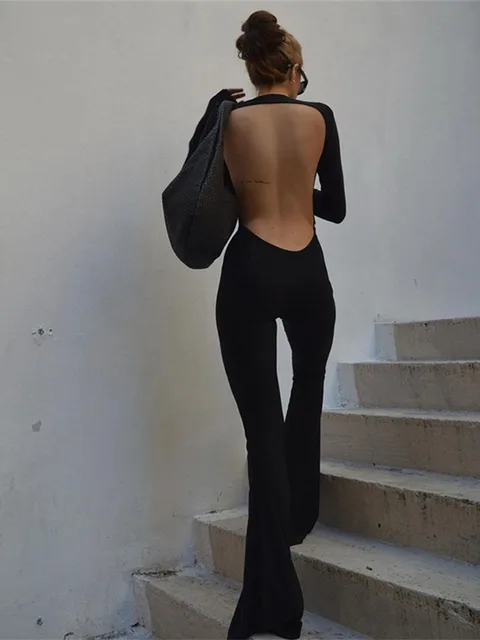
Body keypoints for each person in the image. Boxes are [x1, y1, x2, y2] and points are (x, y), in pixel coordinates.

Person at [184, 10, 346, 639]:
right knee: (307, 391)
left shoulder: (228, 117)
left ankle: (271, 600)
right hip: (308, 271)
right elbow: (336, 207)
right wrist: (296, 185)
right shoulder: (321, 116)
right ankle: (300, 512)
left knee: (262, 430)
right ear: (293, 69)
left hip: (250, 267)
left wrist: (215, 125)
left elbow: (202, 191)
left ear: (252, 70)